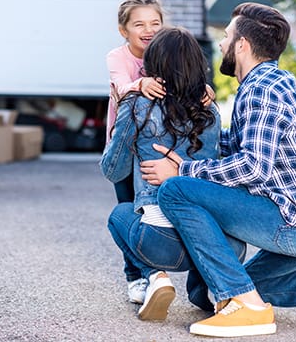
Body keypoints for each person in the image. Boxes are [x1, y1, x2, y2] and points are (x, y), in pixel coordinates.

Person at [140, 2, 296, 337]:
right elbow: (236, 151)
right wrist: (197, 119)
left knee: (175, 190)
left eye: (227, 37)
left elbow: (253, 167)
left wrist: (183, 172)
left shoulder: (263, 88)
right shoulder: (273, 83)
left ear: (242, 45)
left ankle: (248, 309)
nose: (221, 45)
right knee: (204, 293)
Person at [100, 27, 242, 320]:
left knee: (119, 214)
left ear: (152, 64)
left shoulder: (137, 104)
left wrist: (119, 110)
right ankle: (210, 288)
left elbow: (114, 171)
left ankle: (156, 277)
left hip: (159, 243)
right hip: (217, 244)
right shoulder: (210, 110)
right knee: (204, 215)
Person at [104, 0, 215, 304]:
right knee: (131, 205)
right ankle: (138, 276)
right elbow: (120, 86)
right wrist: (138, 85)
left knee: (133, 213)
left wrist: (202, 87)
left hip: (165, 140)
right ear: (123, 30)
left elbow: (185, 76)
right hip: (127, 142)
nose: (149, 29)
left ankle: (176, 279)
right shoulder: (119, 57)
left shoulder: (167, 52)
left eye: (155, 22)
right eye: (139, 24)